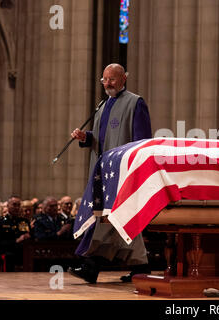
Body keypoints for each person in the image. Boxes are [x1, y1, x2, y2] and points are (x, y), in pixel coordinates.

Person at [69, 63, 152, 283]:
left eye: (112, 79)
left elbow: (143, 141)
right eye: (104, 80)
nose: (107, 84)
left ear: (124, 78)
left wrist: (136, 170)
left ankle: (92, 266)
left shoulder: (136, 103)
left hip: (122, 172)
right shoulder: (102, 105)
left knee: (112, 218)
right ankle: (139, 267)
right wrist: (85, 137)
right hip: (102, 173)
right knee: (114, 219)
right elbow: (100, 137)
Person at [0, 195, 31, 271]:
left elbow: (26, 236)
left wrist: (28, 236)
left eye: (18, 205)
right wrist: (16, 241)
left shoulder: (24, 221)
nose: (16, 207)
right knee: (9, 257)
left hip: (21, 251)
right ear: (8, 206)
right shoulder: (0, 222)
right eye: (14, 205)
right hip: (6, 252)